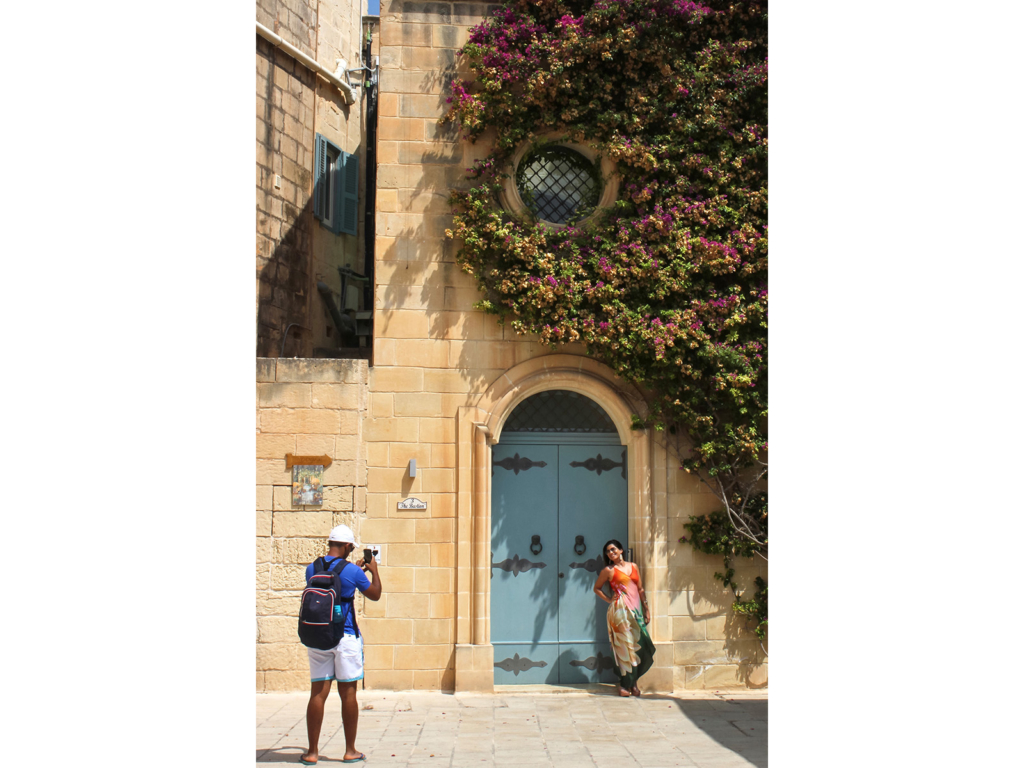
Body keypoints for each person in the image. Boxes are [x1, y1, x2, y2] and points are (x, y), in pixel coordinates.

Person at [300, 524, 381, 765]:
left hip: (318, 636)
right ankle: (350, 751)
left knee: (318, 693)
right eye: (350, 547)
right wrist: (373, 572)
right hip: (345, 637)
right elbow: (375, 594)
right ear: (347, 546)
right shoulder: (353, 571)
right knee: (348, 694)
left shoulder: (311, 568)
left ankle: (312, 752)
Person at [592, 539, 655, 697]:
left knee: (641, 644)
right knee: (625, 648)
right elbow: (596, 588)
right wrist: (609, 599)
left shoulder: (633, 566)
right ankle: (627, 685)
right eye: (608, 551)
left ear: (621, 550)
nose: (611, 553)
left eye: (613, 549)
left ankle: (632, 683)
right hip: (620, 612)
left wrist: (646, 609)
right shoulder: (608, 570)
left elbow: (640, 589)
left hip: (636, 611)